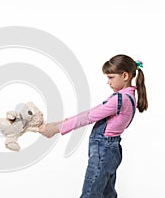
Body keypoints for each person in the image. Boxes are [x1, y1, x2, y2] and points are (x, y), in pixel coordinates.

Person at [39, 54, 148, 198]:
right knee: (107, 193)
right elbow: (92, 113)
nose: (108, 82)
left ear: (125, 76)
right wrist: (60, 123)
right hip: (111, 149)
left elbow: (89, 117)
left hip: (104, 149)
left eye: (111, 77)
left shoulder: (120, 99)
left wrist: (57, 129)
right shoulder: (127, 97)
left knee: (91, 193)